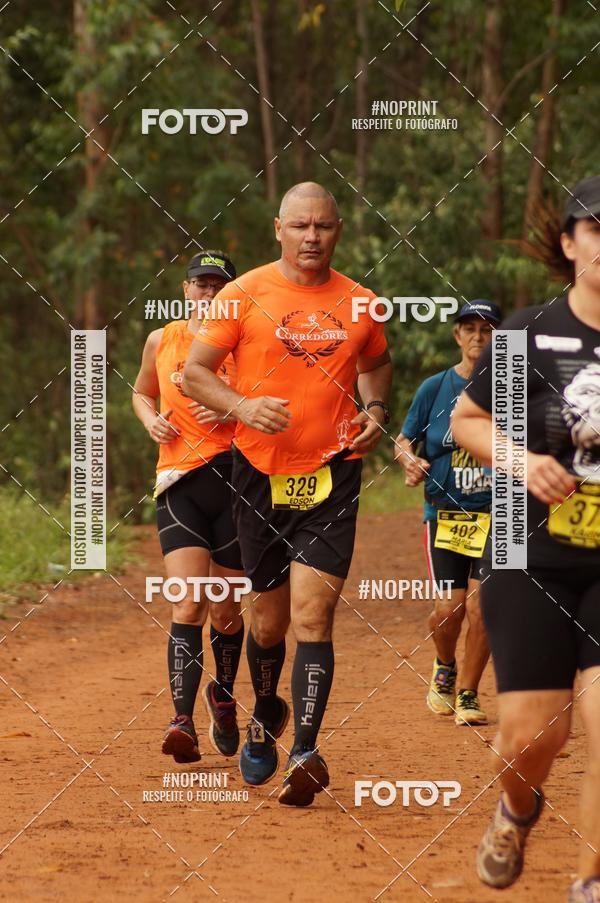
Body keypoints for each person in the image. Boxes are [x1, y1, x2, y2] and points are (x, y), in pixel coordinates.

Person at [182, 182, 392, 807]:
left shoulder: (362, 303)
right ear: (278, 228)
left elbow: (376, 363)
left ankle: (304, 748)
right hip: (257, 474)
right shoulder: (242, 295)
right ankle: (264, 708)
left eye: (323, 227)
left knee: (313, 615)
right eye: (299, 226)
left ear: (339, 229)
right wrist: (243, 403)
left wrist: (376, 409)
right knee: (267, 624)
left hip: (333, 475)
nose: (311, 237)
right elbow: (195, 374)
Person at [452, 175, 600, 903]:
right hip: (527, 549)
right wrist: (524, 460)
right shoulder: (529, 333)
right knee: (533, 737)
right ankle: (516, 806)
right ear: (571, 243)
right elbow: (468, 424)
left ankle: (588, 882)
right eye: (596, 231)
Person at [132, 250, 245, 764]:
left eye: (218, 286)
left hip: (235, 483)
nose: (207, 293)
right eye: (200, 284)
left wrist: (230, 410)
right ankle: (182, 721)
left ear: (231, 295)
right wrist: (149, 419)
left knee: (225, 611)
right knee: (188, 603)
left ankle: (223, 693)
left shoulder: (248, 345)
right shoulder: (163, 339)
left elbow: (270, 407)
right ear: (184, 289)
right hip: (179, 482)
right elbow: (141, 393)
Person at [394, 300, 500, 726]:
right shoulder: (434, 388)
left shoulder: (515, 389)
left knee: (484, 608)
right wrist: (408, 461)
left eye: (488, 329)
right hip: (446, 516)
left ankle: (470, 694)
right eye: (469, 328)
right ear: (457, 336)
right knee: (450, 609)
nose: (479, 337)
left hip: (500, 516)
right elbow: (404, 440)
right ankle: (444, 668)